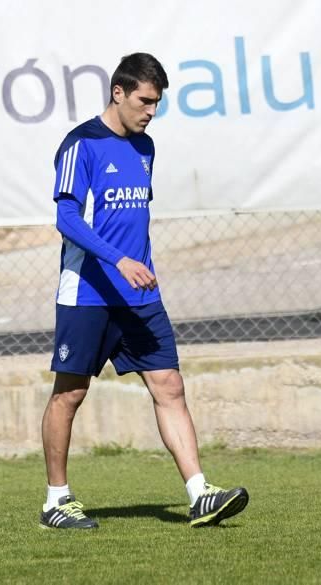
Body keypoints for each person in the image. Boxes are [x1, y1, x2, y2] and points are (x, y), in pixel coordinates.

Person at [40, 53, 248, 530]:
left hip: (140, 295)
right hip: (88, 294)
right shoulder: (81, 144)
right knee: (69, 395)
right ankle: (56, 500)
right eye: (145, 101)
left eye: (157, 103)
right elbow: (66, 218)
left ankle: (199, 494)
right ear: (118, 92)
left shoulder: (145, 147)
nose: (151, 111)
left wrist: (138, 266)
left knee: (169, 386)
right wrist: (119, 260)